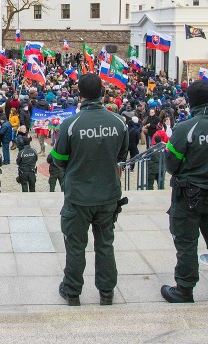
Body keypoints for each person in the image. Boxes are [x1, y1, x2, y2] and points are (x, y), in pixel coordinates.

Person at [52, 73, 128, 306]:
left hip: (79, 195)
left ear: (79, 93)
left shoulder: (70, 124)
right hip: (108, 195)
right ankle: (107, 291)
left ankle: (72, 291)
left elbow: (58, 159)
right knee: (105, 243)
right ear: (103, 92)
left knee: (75, 245)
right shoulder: (118, 123)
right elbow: (121, 156)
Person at [160, 80, 208, 304]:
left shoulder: (186, 128)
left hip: (189, 195)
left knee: (186, 242)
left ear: (191, 100)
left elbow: (171, 164)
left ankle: (184, 288)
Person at [16, 127, 38, 192]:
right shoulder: (34, 151)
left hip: (23, 171)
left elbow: (18, 162)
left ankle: (25, 200)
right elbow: (36, 159)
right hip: (32, 171)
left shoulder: (21, 152)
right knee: (32, 187)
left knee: (24, 186)